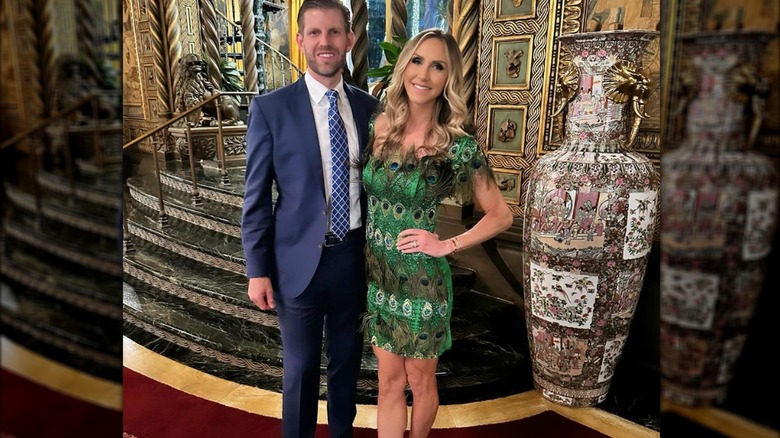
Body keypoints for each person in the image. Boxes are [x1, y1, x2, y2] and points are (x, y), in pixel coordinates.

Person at [361, 29, 513, 438]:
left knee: (419, 381)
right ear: (404, 66)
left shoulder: (459, 147)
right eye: (417, 61)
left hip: (423, 281)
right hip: (380, 276)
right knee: (389, 381)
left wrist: (447, 244)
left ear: (449, 79)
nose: (424, 74)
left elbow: (501, 215)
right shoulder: (379, 127)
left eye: (437, 66)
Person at [241, 0, 378, 436]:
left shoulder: (369, 109)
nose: (325, 42)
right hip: (296, 263)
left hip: (353, 259)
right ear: (300, 42)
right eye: (315, 33)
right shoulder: (271, 109)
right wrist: (257, 270)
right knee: (299, 372)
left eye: (334, 32)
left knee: (345, 367)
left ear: (349, 40)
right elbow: (256, 198)